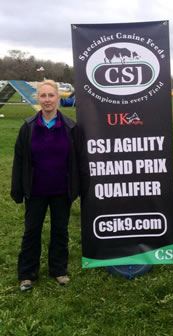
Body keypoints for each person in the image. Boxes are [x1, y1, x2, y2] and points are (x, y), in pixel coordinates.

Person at [11, 79, 89, 291]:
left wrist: (83, 188)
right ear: (38, 98)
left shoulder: (72, 128)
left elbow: (81, 161)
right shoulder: (27, 127)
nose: (47, 100)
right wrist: (17, 190)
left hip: (61, 191)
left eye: (50, 95)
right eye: (43, 96)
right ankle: (27, 274)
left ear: (57, 98)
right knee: (32, 231)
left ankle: (59, 270)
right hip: (35, 190)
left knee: (60, 231)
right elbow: (19, 161)